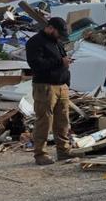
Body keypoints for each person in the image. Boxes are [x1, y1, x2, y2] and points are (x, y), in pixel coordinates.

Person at [25, 17, 73, 166]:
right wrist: (60, 62)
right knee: (44, 121)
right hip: (45, 87)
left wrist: (66, 79)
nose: (60, 37)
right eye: (59, 33)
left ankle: (63, 151)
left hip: (61, 86)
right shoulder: (35, 42)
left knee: (63, 121)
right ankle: (40, 154)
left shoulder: (57, 42)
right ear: (50, 28)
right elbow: (36, 64)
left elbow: (63, 60)